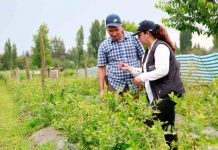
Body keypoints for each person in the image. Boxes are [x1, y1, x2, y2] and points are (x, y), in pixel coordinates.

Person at [118, 19, 185, 149]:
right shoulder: (149, 50)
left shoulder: (160, 47)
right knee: (168, 127)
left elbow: (162, 70)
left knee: (147, 122)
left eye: (139, 35)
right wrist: (130, 69)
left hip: (168, 94)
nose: (138, 38)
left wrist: (141, 77)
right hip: (164, 95)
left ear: (147, 33)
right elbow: (147, 70)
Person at [97, 14, 144, 96]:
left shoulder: (134, 38)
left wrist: (143, 77)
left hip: (135, 82)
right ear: (106, 29)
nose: (114, 33)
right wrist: (102, 90)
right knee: (116, 108)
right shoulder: (104, 46)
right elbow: (101, 67)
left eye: (116, 30)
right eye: (110, 31)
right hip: (115, 85)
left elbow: (143, 58)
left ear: (122, 27)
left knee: (137, 107)